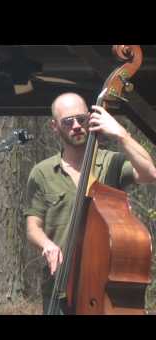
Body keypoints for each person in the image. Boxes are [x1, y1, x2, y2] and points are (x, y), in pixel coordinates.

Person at [25, 92, 156, 314]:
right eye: (68, 122)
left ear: (90, 119)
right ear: (54, 127)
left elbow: (150, 173)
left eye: (81, 119)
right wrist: (47, 245)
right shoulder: (42, 173)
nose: (76, 126)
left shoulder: (112, 162)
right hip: (58, 286)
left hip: (102, 288)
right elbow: (32, 226)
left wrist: (122, 135)